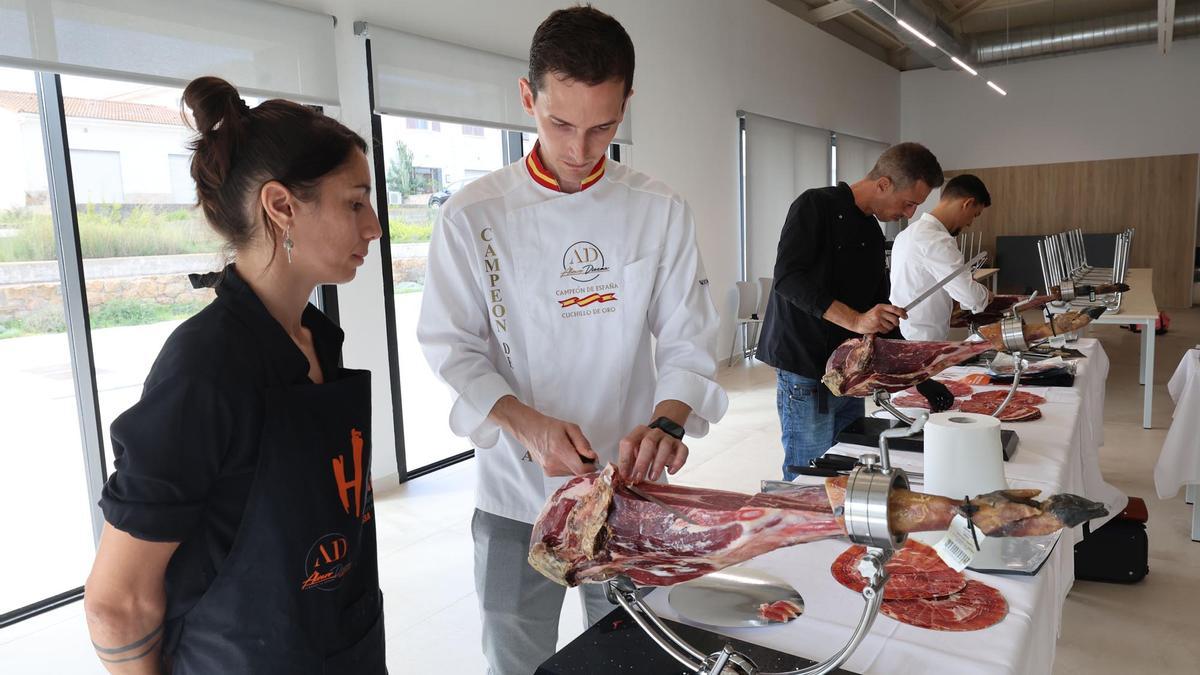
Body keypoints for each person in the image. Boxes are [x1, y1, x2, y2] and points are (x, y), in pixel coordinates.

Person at [416, 6, 727, 674]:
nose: (581, 149)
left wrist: (668, 419)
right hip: (513, 493)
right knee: (515, 652)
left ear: (627, 105)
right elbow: (451, 344)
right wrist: (525, 423)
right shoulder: (473, 215)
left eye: (603, 127)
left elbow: (687, 337)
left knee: (634, 649)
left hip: (628, 481)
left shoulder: (659, 209)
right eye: (559, 123)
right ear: (527, 96)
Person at [83, 76, 386, 674]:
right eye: (355, 202)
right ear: (280, 206)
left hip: (342, 643)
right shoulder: (204, 368)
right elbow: (116, 601)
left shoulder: (317, 336)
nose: (374, 225)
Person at [756, 143, 945, 480]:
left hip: (849, 371)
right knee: (811, 471)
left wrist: (921, 377)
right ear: (884, 184)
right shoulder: (815, 205)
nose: (910, 214)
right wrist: (856, 320)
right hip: (806, 366)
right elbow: (789, 279)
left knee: (848, 460)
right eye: (909, 202)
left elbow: (881, 315)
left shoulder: (872, 233)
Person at [890, 173, 994, 341]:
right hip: (923, 341)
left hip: (907, 333)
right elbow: (970, 296)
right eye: (974, 215)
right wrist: (985, 295)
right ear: (967, 204)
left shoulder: (908, 233)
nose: (969, 223)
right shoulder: (937, 240)